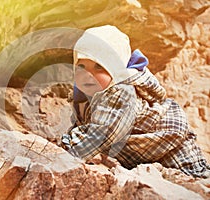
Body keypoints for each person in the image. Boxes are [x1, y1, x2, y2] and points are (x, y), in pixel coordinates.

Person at [61, 25, 210, 178]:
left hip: (174, 154)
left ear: (116, 70)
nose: (88, 75)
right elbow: (83, 124)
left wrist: (69, 147)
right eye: (81, 66)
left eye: (99, 67)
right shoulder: (84, 95)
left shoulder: (122, 92)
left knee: (189, 179)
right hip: (142, 154)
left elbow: (102, 133)